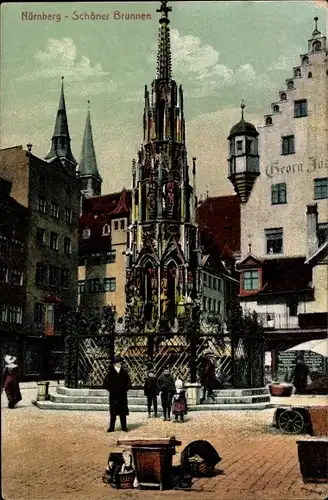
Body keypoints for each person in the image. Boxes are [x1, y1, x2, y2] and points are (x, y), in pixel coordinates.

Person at [103, 356, 131, 432]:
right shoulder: (110, 373)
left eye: (120, 362)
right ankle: (112, 427)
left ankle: (124, 427)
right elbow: (105, 383)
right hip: (113, 395)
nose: (119, 364)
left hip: (122, 395)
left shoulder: (124, 372)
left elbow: (129, 382)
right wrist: (111, 390)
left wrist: (125, 389)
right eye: (117, 362)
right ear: (114, 364)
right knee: (113, 412)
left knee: (123, 413)